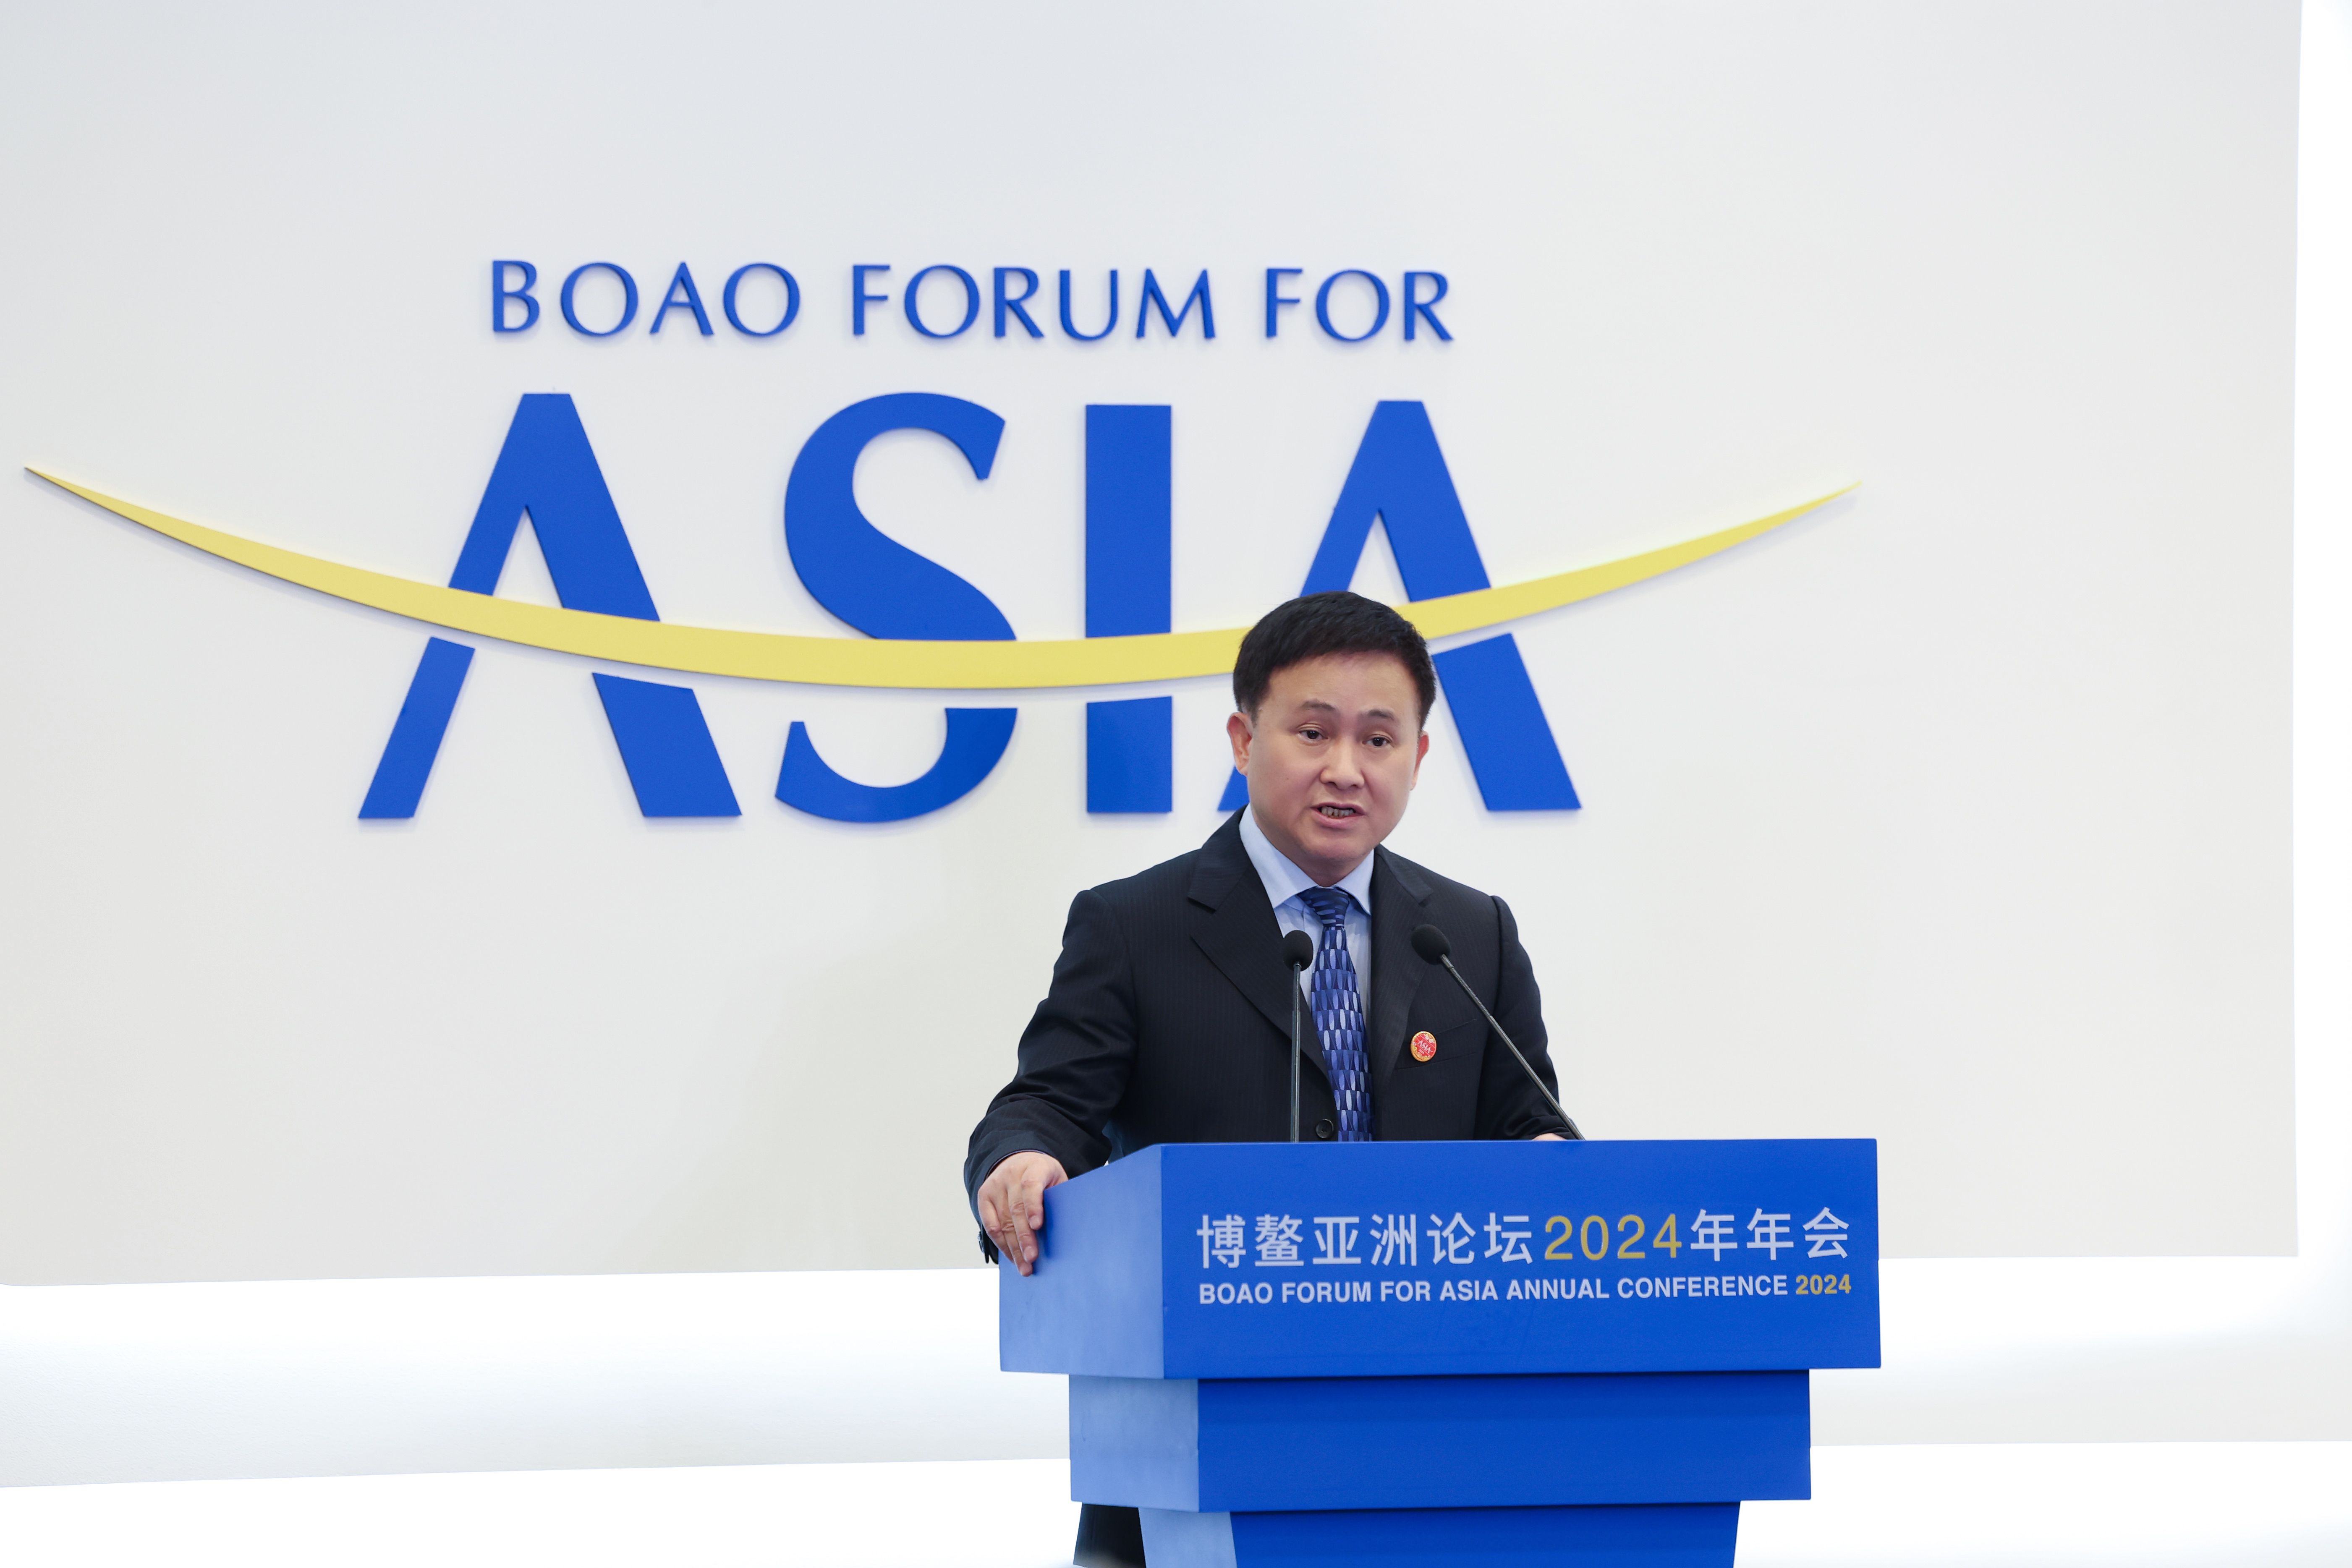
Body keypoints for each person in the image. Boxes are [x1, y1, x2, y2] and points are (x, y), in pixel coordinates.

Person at [964, 590, 1579, 1567]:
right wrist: (1024, 1159)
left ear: (1419, 756)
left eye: (1379, 739)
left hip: (1433, 1423)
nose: (1346, 768)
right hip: (1201, 1426)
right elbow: (1046, 1103)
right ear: (1244, 739)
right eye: (1313, 731)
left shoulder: (1471, 933)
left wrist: (1555, 1165)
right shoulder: (1136, 924)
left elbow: (1528, 1122)